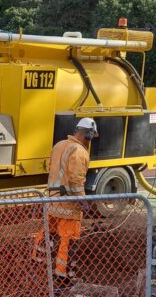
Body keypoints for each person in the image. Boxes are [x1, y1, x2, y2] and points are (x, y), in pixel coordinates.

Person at [32, 117, 98, 289]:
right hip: (69, 206)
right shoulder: (80, 151)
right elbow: (76, 181)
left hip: (52, 201)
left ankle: (37, 264)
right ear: (89, 135)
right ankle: (63, 277)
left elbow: (52, 170)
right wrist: (83, 202)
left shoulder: (59, 145)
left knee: (48, 233)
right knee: (68, 240)